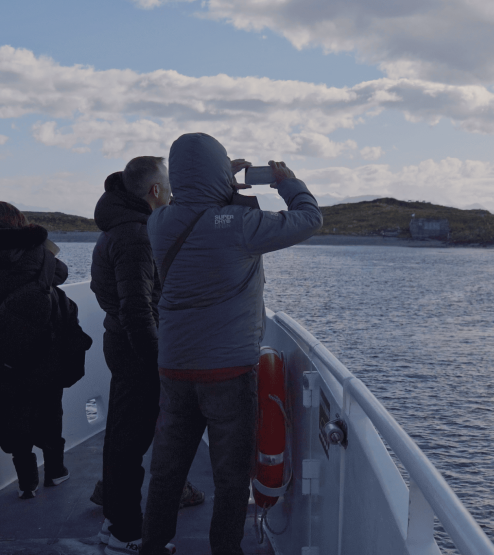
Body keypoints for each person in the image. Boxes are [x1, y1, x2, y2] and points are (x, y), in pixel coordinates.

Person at [140, 133, 322, 555]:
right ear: (220, 173)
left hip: (174, 368)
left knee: (167, 472)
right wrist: (287, 183)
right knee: (231, 476)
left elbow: (193, 210)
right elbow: (310, 219)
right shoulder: (240, 226)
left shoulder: (158, 223)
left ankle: (153, 546)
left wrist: (219, 183)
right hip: (228, 372)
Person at [90, 160, 202, 555]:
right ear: (155, 191)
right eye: (168, 185)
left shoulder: (121, 227)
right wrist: (159, 363)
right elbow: (138, 310)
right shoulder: (136, 236)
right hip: (137, 349)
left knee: (121, 436)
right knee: (131, 441)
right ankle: (125, 532)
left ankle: (114, 522)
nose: (172, 192)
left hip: (122, 344)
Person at [0, 202, 73, 499]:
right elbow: (62, 273)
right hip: (44, 347)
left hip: (6, 354)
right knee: (50, 409)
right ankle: (55, 470)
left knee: (12, 414)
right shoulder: (39, 253)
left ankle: (26, 482)